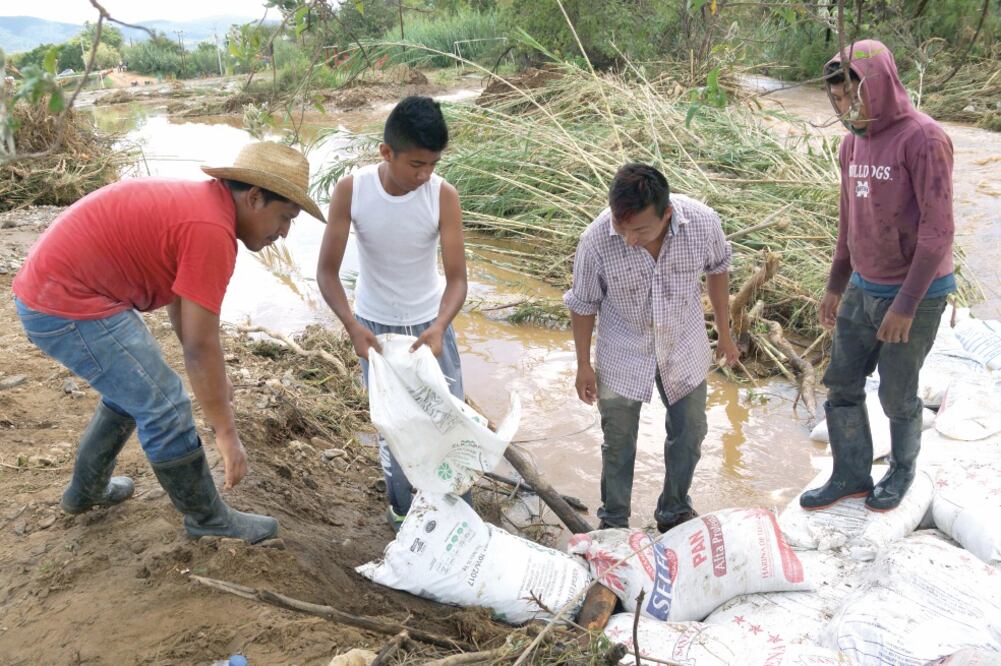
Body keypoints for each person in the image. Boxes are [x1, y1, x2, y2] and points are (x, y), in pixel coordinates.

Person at [12, 141, 326, 543]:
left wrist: (219, 384)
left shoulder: (206, 208)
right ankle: (207, 519)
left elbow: (185, 310)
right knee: (164, 404)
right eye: (284, 218)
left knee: (137, 386)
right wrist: (226, 434)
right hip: (63, 302)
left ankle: (86, 491)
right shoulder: (211, 230)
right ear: (254, 197)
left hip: (60, 291)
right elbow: (200, 346)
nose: (283, 233)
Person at [800, 39, 955, 512]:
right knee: (842, 385)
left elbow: (938, 233)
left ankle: (903, 468)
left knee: (895, 391)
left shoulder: (923, 138)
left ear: (882, 85)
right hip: (863, 285)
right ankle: (849, 474)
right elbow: (849, 222)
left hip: (917, 292)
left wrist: (905, 307)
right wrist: (834, 285)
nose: (847, 107)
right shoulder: (852, 144)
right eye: (838, 98)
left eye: (854, 94)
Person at [316, 96, 468, 531]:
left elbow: (457, 279)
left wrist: (440, 325)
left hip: (430, 328)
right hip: (376, 332)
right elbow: (326, 272)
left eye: (433, 164)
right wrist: (352, 326)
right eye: (416, 164)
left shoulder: (443, 197)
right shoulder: (352, 190)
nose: (425, 175)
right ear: (386, 152)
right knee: (396, 430)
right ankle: (404, 516)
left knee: (450, 425)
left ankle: (457, 516)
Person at [564, 163, 739, 533]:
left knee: (690, 432)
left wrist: (725, 333)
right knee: (618, 442)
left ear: (667, 214)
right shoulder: (595, 240)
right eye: (620, 226)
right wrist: (583, 364)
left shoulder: (702, 222)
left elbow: (718, 269)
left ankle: (674, 510)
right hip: (623, 351)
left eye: (640, 229)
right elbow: (583, 305)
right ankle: (614, 520)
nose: (629, 238)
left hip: (684, 344)